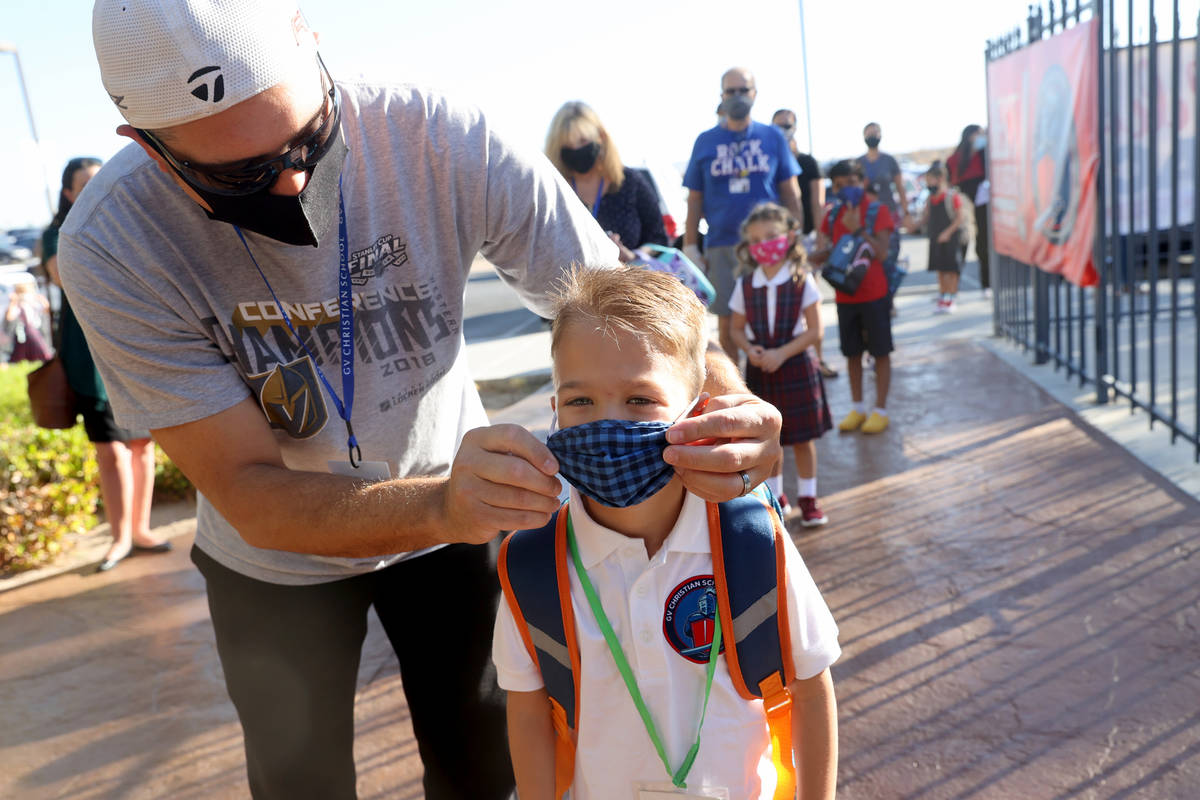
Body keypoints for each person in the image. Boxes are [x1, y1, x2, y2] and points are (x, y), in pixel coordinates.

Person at [60, 3, 786, 798]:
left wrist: (726, 399)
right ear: (148, 151)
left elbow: (622, 302)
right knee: (299, 781)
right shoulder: (111, 241)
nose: (294, 182)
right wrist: (441, 504)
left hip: (454, 517)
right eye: (238, 178)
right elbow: (251, 495)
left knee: (484, 765)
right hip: (279, 562)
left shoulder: (439, 134)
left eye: (310, 138)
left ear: (311, 38)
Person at [494, 265, 840, 800]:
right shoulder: (534, 561)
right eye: (580, 401)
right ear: (555, 410)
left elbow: (811, 683)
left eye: (640, 401)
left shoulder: (752, 540)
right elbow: (528, 706)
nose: (607, 426)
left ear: (696, 410)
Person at [42, 157, 167, 572]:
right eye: (86, 185)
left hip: (131, 350)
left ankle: (142, 530)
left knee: (142, 446)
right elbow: (66, 277)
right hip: (87, 360)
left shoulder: (123, 223)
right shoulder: (55, 235)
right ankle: (119, 538)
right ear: (68, 193)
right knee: (111, 452)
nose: (96, 191)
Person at [683, 67, 804, 359]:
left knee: (773, 318)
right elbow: (695, 199)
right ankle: (734, 388)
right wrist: (690, 246)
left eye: (743, 91)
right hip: (722, 244)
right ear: (722, 96)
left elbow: (791, 193)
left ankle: (771, 385)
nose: (737, 97)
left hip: (768, 244)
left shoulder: (772, 136)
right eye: (731, 91)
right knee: (727, 322)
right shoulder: (705, 141)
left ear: (754, 94)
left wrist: (797, 237)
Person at [729, 203, 831, 527]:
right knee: (770, 437)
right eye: (756, 239)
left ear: (788, 237)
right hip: (762, 369)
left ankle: (809, 499)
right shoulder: (745, 284)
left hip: (796, 365)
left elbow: (816, 331)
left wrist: (781, 353)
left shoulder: (803, 280)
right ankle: (776, 497)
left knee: (802, 438)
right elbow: (734, 328)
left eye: (771, 236)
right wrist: (750, 348)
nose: (764, 244)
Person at [810, 160, 895, 435]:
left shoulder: (877, 211)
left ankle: (880, 410)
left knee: (880, 351)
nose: (845, 189)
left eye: (851, 183)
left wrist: (858, 228)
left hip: (875, 294)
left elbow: (881, 253)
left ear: (862, 181)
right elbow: (826, 251)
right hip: (846, 296)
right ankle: (858, 407)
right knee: (852, 354)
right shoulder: (832, 215)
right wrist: (803, 256)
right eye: (838, 185)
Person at [545, 101, 667, 262]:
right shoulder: (554, 192)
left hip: (629, 281)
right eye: (568, 145)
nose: (576, 150)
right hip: (574, 285)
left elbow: (658, 238)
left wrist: (632, 256)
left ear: (600, 137)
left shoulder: (630, 182)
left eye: (582, 141)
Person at [771, 108, 837, 380]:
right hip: (774, 244)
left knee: (809, 301)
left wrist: (820, 238)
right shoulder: (770, 160)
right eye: (779, 125)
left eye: (787, 125)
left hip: (805, 239)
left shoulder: (809, 163)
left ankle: (818, 361)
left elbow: (817, 202)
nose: (784, 129)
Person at [914, 163, 967, 313]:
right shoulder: (931, 198)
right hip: (935, 239)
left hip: (950, 240)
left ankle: (951, 297)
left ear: (940, 178)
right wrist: (913, 225)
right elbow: (925, 217)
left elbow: (959, 218)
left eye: (930, 179)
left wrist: (947, 233)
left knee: (951, 270)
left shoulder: (952, 196)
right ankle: (943, 297)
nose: (928, 183)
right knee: (940, 270)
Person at [948, 124, 990, 295]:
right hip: (963, 204)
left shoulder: (984, 155)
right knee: (961, 243)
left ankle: (986, 285)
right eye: (978, 135)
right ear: (970, 136)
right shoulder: (955, 159)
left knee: (983, 245)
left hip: (982, 204)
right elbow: (951, 182)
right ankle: (952, 289)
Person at [4, 279, 52, 363]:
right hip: (23, 331)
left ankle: (43, 356)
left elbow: (46, 310)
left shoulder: (33, 302)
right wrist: (13, 301)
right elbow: (10, 317)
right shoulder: (17, 305)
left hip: (35, 328)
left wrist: (41, 299)